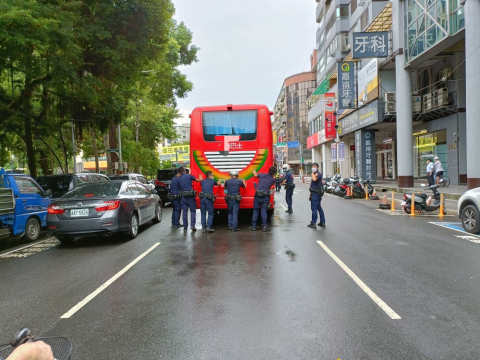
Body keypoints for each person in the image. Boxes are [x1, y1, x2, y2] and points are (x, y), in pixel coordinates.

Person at [251, 167, 276, 232]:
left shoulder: (262, 175)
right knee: (263, 211)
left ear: (268, 170)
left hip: (257, 195)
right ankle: (264, 227)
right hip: (265, 196)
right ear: (274, 173)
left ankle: (253, 227)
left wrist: (253, 169)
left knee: (255, 211)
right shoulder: (272, 180)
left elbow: (255, 174)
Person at [178, 167, 197, 232]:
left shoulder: (179, 178)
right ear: (184, 171)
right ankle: (192, 226)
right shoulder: (189, 176)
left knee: (184, 212)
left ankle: (185, 227)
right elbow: (197, 180)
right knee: (193, 211)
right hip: (190, 196)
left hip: (183, 197)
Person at [307, 162, 326, 229]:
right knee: (319, 208)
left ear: (317, 167)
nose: (313, 168)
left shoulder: (318, 174)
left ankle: (313, 223)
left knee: (314, 208)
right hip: (314, 193)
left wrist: (312, 174)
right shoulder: (315, 174)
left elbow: (314, 179)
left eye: (314, 166)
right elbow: (313, 185)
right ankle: (322, 222)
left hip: (316, 194)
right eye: (312, 166)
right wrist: (310, 194)